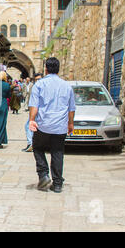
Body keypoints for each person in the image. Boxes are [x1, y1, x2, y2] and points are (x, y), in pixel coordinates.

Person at [28, 58, 76, 193]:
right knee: (57, 152)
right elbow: (71, 108)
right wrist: (70, 123)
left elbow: (34, 106)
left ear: (46, 69)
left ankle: (43, 175)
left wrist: (32, 120)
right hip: (60, 126)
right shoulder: (67, 86)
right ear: (58, 69)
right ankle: (57, 184)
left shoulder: (39, 85)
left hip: (43, 125)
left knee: (37, 148)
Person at [22, 73, 43, 152]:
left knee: (28, 126)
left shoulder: (39, 87)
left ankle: (31, 143)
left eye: (39, 79)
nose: (38, 81)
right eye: (36, 79)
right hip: (36, 110)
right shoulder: (36, 87)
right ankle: (31, 143)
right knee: (31, 126)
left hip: (38, 111)